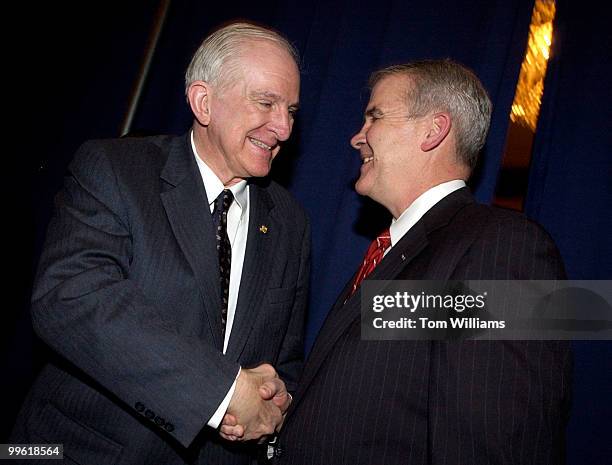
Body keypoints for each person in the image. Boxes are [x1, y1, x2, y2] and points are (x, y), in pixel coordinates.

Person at [11, 22, 310, 464]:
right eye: (266, 103)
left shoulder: (290, 222)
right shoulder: (116, 169)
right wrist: (222, 393)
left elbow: (282, 362)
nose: (283, 128)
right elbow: (71, 297)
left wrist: (274, 404)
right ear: (203, 102)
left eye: (291, 110)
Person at [267, 60, 571, 463]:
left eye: (374, 116)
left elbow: (495, 445)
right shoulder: (393, 250)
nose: (357, 137)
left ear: (433, 130)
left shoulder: (502, 248)